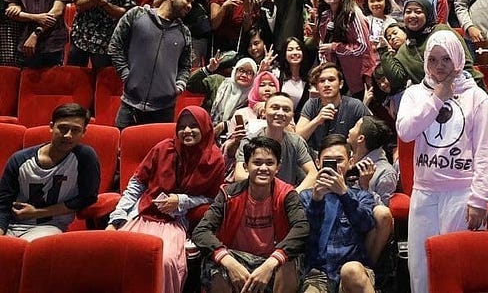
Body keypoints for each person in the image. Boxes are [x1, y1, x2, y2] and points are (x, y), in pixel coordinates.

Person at [396, 29, 488, 293]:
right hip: (424, 193)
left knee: (461, 266)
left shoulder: (477, 97)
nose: (439, 66)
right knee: (421, 266)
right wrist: (437, 97)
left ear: (458, 59)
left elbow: (485, 153)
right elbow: (406, 131)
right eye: (432, 59)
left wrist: (480, 200)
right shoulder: (415, 94)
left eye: (446, 59)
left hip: (462, 194)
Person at [106, 106, 225, 293]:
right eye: (182, 127)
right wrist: (115, 220)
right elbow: (136, 184)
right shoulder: (163, 148)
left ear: (205, 127)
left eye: (193, 126)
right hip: (143, 213)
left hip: (175, 221)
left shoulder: (215, 159)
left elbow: (212, 199)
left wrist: (181, 201)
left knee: (165, 261)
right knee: (120, 255)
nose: (187, 131)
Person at [192, 137, 309, 293]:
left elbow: (301, 228)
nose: (263, 168)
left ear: (278, 167)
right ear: (246, 166)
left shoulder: (287, 194)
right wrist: (229, 262)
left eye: (269, 163)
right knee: (216, 263)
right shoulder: (228, 194)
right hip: (237, 261)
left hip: (272, 260)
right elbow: (201, 231)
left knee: (289, 260)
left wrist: (271, 262)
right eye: (257, 162)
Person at [0, 103, 99, 241]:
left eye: (75, 130)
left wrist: (37, 213)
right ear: (51, 127)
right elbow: (3, 203)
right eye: (63, 128)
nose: (68, 135)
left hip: (48, 227)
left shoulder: (85, 157)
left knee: (36, 246)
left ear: (84, 132)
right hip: (11, 224)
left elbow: (86, 198)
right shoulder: (20, 159)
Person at [108, 0, 194, 129]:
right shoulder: (136, 15)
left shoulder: (184, 32)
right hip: (130, 104)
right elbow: (115, 46)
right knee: (121, 143)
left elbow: (185, 66)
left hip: (164, 109)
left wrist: (179, 86)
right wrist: (127, 75)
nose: (189, 6)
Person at [299, 134, 377, 293]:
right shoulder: (306, 197)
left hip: (352, 268)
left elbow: (365, 226)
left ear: (351, 162)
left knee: (352, 271)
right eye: (328, 161)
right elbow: (304, 235)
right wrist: (316, 200)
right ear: (318, 163)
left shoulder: (362, 195)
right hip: (317, 272)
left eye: (339, 160)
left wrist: (344, 194)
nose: (334, 166)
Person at [378, 0, 484, 94]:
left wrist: (464, 91)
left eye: (418, 12)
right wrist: (383, 51)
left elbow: (465, 63)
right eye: (408, 12)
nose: (412, 15)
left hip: (466, 89)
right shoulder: (404, 51)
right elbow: (397, 80)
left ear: (427, 14)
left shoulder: (441, 30)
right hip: (433, 100)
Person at [232, 92, 318, 192]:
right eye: (275, 108)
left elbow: (313, 174)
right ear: (264, 112)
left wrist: (293, 194)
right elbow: (239, 176)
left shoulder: (296, 141)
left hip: (286, 197)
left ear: (292, 116)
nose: (280, 113)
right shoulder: (249, 141)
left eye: (286, 110)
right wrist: (275, 191)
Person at [312, 0, 378, 97]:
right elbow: (322, 44)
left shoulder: (353, 14)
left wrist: (335, 47)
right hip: (335, 74)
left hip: (356, 77)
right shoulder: (324, 15)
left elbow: (362, 47)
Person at [296, 62, 370, 152]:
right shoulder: (311, 104)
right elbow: (297, 139)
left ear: (341, 84)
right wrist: (317, 120)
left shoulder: (355, 105)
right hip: (317, 156)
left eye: (331, 80)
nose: (326, 84)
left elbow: (370, 137)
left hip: (347, 156)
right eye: (322, 81)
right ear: (316, 87)